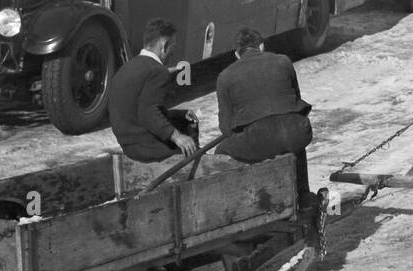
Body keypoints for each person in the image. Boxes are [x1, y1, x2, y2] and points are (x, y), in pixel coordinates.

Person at [215, 27, 314, 201]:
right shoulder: (283, 61)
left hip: (259, 140)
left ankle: (248, 200)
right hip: (297, 133)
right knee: (294, 132)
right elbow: (297, 102)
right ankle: (303, 194)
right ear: (261, 46)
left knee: (222, 150)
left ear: (237, 54)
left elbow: (226, 127)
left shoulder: (225, 77)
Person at [108, 18, 199, 163]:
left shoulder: (127, 67)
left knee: (182, 119)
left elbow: (138, 109)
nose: (172, 54)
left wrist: (179, 114)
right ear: (165, 45)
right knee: (190, 134)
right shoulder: (157, 71)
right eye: (172, 47)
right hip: (146, 147)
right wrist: (178, 138)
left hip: (128, 144)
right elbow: (148, 113)